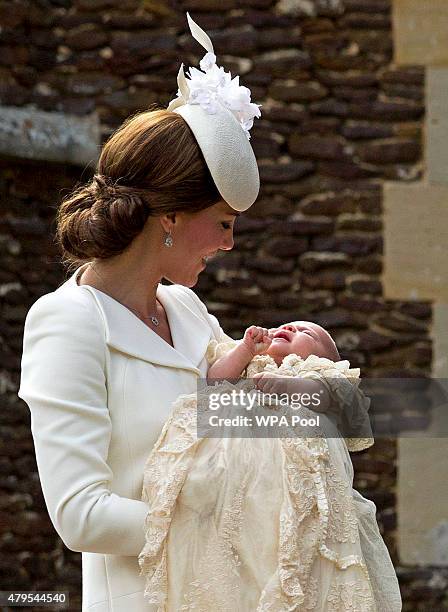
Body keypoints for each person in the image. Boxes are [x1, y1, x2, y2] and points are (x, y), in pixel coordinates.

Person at [17, 13, 273, 612]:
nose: (230, 244)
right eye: (224, 224)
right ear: (172, 217)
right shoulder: (68, 322)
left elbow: (251, 422)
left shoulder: (185, 308)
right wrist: (214, 512)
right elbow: (80, 515)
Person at [138, 323, 402, 611]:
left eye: (307, 333)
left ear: (325, 358)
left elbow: (326, 394)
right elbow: (213, 381)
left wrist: (288, 385)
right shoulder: (249, 362)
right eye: (282, 326)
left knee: (287, 535)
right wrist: (244, 350)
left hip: (287, 468)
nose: (289, 327)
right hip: (235, 467)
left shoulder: (318, 373)